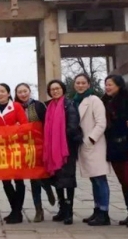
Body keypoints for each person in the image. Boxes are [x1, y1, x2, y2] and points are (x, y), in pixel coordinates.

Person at [102, 75, 128, 228]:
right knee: (123, 181)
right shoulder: (105, 101)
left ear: (119, 85)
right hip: (113, 147)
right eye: (106, 84)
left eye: (110, 84)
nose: (107, 87)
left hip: (126, 146)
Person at [15, 83, 56, 223]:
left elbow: (47, 123)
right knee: (33, 177)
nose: (23, 94)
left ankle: (45, 192)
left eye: (25, 91)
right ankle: (39, 206)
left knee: (37, 176)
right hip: (22, 147)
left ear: (29, 91)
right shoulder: (14, 107)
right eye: (20, 92)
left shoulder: (38, 105)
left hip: (38, 145)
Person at [73, 74, 110, 227]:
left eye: (83, 83)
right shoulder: (76, 101)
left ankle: (104, 213)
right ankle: (97, 209)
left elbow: (101, 123)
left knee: (100, 179)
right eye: (78, 83)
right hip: (84, 146)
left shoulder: (94, 100)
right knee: (94, 179)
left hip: (95, 145)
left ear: (88, 84)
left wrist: (90, 139)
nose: (80, 85)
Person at [0, 83, 28, 224]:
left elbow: (24, 124)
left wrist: (14, 130)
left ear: (8, 93)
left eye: (3, 91)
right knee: (5, 180)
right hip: (1, 149)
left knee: (18, 179)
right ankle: (14, 210)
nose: (0, 94)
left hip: (16, 147)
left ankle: (17, 212)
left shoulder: (16, 106)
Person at [45, 80, 82, 225]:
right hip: (53, 148)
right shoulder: (49, 106)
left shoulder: (69, 104)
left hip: (66, 148)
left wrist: (60, 137)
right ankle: (62, 209)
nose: (55, 91)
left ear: (63, 89)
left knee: (68, 180)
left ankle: (69, 212)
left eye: (57, 88)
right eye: (52, 89)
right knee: (58, 180)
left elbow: (73, 125)